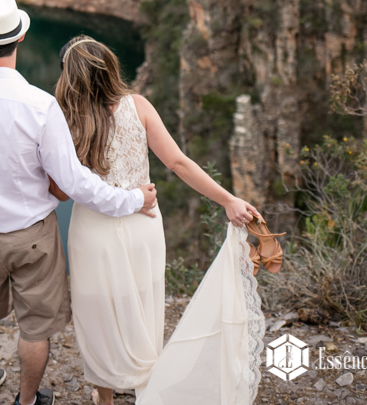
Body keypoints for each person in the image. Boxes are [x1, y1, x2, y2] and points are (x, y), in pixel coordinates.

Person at [0, 0, 158, 405]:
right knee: (34, 327)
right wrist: (132, 201)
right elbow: (73, 181)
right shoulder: (38, 105)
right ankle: (28, 400)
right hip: (32, 235)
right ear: (19, 40)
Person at [50, 36, 267, 404]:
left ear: (70, 78)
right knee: (145, 306)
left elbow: (60, 192)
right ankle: (146, 389)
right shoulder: (139, 106)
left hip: (94, 233)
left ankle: (104, 397)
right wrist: (228, 200)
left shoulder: (66, 121)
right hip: (144, 226)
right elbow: (179, 163)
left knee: (97, 310)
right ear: (110, 68)